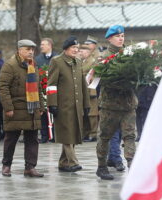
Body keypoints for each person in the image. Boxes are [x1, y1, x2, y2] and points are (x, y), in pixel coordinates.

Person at [0, 39, 45, 177]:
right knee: (11, 138)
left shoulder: (33, 65)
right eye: (27, 49)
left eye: (32, 49)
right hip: (15, 109)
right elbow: (2, 87)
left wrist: (41, 106)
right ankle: (6, 165)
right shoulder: (10, 65)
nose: (31, 52)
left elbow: (38, 88)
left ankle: (30, 167)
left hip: (32, 108)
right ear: (19, 50)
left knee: (32, 139)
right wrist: (8, 107)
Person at [96, 25, 137, 180]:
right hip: (110, 105)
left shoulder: (132, 54)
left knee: (130, 136)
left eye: (123, 35)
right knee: (104, 136)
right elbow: (101, 79)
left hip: (128, 104)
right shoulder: (104, 57)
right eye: (117, 36)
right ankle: (101, 166)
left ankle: (132, 165)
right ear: (109, 39)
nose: (121, 38)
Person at [47, 36, 90, 172]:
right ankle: (72, 161)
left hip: (76, 106)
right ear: (66, 49)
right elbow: (51, 84)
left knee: (74, 133)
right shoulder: (57, 61)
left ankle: (63, 163)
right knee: (66, 134)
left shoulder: (78, 61)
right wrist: (52, 104)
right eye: (73, 48)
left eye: (77, 48)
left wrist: (86, 104)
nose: (76, 50)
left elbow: (83, 85)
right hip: (62, 105)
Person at [35, 38, 58, 143]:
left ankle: (55, 135)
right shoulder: (38, 59)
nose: (41, 46)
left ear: (50, 46)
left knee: (55, 112)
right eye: (41, 44)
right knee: (43, 113)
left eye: (43, 44)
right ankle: (44, 136)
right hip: (42, 90)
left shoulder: (57, 57)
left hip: (55, 90)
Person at [79, 45, 98, 142]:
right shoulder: (81, 62)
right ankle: (85, 133)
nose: (80, 53)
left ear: (88, 52)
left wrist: (92, 90)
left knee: (92, 114)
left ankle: (94, 134)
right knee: (84, 113)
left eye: (82, 51)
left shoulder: (93, 62)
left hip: (90, 91)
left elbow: (95, 76)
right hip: (82, 91)